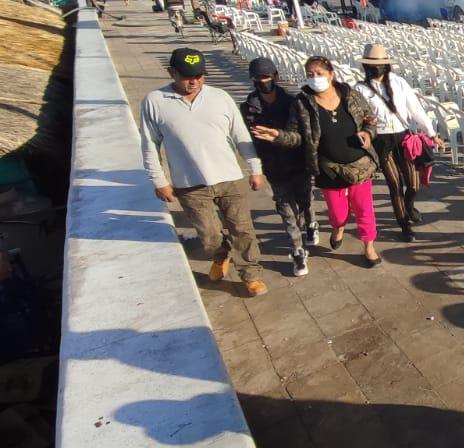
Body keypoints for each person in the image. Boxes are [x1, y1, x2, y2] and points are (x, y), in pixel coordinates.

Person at [140, 48, 268, 297]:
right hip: (189, 183)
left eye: (200, 75)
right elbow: (149, 145)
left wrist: (255, 168)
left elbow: (241, 136)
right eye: (188, 76)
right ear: (172, 73)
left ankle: (250, 274)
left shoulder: (220, 97)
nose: (195, 81)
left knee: (242, 229)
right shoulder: (155, 101)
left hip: (229, 177)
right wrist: (159, 180)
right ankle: (220, 256)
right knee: (208, 232)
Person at [250, 56, 383, 268]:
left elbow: (370, 119)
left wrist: (368, 132)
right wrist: (278, 136)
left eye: (319, 74)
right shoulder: (302, 103)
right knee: (338, 212)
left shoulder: (350, 94)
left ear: (331, 74)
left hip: (359, 164)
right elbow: (296, 136)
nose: (315, 78)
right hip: (328, 168)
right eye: (310, 75)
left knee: (364, 209)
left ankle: (369, 247)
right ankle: (338, 227)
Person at [353, 43, 443, 242]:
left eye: (380, 64)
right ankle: (404, 225)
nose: (377, 68)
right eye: (372, 65)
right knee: (395, 185)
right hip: (381, 140)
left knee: (413, 184)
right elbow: (357, 118)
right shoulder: (359, 89)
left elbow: (415, 108)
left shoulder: (398, 82)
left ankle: (409, 206)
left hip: (403, 137)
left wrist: (431, 133)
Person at [240, 57, 317, 277]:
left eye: (266, 77)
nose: (262, 81)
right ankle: (297, 251)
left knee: (305, 201)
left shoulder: (292, 102)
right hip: (273, 167)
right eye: (258, 78)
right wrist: (255, 168)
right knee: (286, 210)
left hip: (297, 162)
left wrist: (279, 137)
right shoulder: (248, 108)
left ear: (275, 77)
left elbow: (304, 135)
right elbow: (247, 139)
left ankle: (311, 223)